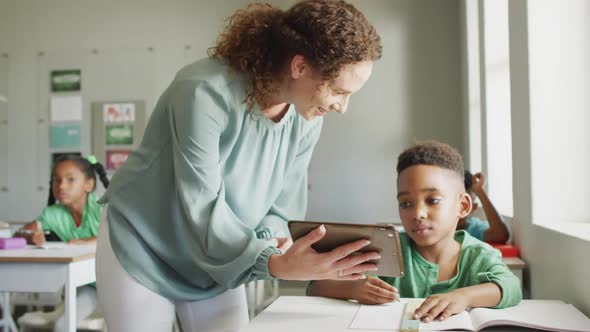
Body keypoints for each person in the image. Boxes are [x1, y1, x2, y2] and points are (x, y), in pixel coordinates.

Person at [95, 1, 383, 331]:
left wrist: (273, 247)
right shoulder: (202, 91)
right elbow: (200, 206)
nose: (342, 107)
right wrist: (272, 263)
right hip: (145, 245)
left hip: (218, 257)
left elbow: (281, 206)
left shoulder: (307, 118)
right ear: (300, 67)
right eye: (337, 90)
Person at [308, 141, 522, 322]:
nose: (417, 213)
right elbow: (316, 285)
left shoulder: (479, 255)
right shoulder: (386, 249)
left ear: (463, 206)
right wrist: (352, 290)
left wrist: (464, 296)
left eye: (432, 201)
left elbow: (512, 288)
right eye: (406, 204)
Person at [15, 154, 108, 332]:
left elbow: (121, 237)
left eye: (70, 179)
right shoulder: (53, 213)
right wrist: (30, 236)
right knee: (61, 326)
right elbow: (21, 232)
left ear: (89, 184)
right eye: (56, 180)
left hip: (117, 286)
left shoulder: (102, 208)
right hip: (90, 288)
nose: (62, 186)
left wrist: (87, 241)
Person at [457, 170, 510, 243]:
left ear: (473, 208)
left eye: (464, 204)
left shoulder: (474, 229)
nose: (458, 209)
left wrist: (479, 191)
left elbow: (501, 235)